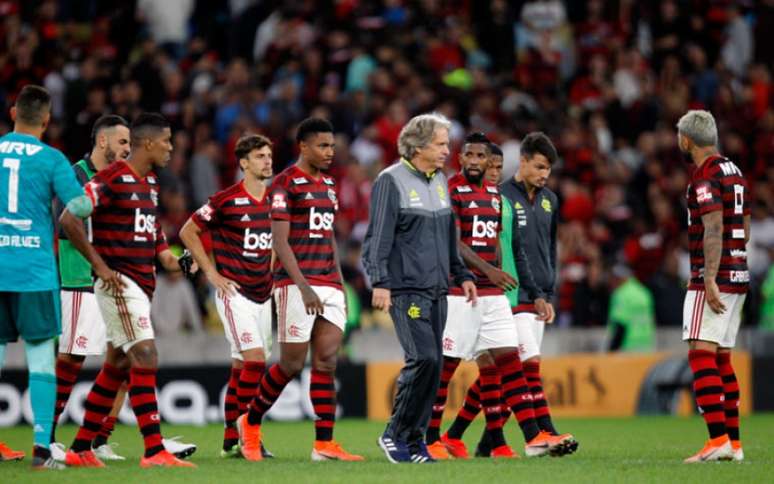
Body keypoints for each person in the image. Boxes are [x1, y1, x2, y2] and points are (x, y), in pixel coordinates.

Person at [58, 113, 197, 468]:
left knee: (117, 366)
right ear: (148, 142)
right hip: (119, 284)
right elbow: (69, 220)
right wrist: (101, 267)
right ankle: (154, 450)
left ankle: (80, 448)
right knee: (146, 356)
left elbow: (154, 241)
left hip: (142, 284)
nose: (171, 147)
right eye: (166, 141)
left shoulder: (149, 184)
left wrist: (180, 262)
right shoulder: (110, 179)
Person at [424, 133, 573, 461]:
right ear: (461, 158)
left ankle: (533, 437)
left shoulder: (493, 195)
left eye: (483, 157)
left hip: (494, 294)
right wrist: (489, 272)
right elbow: (454, 242)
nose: (477, 162)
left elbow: (502, 245)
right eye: (471, 156)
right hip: (461, 291)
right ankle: (432, 436)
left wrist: (516, 281)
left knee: (510, 364)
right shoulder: (451, 190)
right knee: (447, 367)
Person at [236, 118, 363, 462]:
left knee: (326, 363)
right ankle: (250, 423)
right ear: (303, 147)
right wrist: (304, 287)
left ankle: (324, 444)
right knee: (291, 364)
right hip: (296, 283)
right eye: (322, 146)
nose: (329, 152)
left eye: (332, 146)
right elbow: (280, 241)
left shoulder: (330, 185)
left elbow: (329, 237)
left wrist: (339, 283)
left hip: (329, 284)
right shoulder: (285, 184)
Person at [362, 112, 477, 464]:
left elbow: (448, 235)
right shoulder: (390, 181)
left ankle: (414, 442)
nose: (448, 150)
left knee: (436, 364)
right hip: (406, 289)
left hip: (438, 288)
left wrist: (461, 274)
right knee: (423, 357)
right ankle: (393, 434)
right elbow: (377, 238)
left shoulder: (440, 180)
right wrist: (380, 281)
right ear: (419, 146)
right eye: (441, 144)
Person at [0, 85, 93, 470]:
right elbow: (81, 206)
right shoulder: (53, 159)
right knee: (41, 358)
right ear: (47, 120)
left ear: (13, 113)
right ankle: (41, 447)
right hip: (35, 271)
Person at [179, 134, 275, 458]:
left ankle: (229, 442)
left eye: (268, 155)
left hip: (264, 294)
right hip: (234, 293)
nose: (267, 161)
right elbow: (187, 231)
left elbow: (277, 242)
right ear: (244, 163)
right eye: (260, 156)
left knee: (239, 369)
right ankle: (250, 436)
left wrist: (273, 271)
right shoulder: (226, 200)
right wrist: (211, 273)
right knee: (256, 361)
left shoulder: (275, 200)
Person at [50, 115, 131, 462]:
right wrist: (99, 264)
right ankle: (47, 436)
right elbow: (66, 227)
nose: (128, 148)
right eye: (123, 142)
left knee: (125, 359)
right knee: (72, 357)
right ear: (103, 142)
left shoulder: (122, 178)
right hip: (81, 278)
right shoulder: (75, 175)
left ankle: (99, 439)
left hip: (117, 280)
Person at [495, 131, 578, 453]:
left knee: (507, 375)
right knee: (528, 364)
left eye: (549, 170)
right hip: (513, 295)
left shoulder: (550, 200)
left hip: (540, 296)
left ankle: (483, 438)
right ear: (524, 161)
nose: (545, 175)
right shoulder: (501, 196)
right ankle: (542, 433)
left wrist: (549, 291)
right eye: (540, 167)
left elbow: (549, 249)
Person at [677, 110, 749, 463]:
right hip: (739, 273)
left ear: (686, 140)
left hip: (715, 276)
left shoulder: (704, 175)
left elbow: (714, 226)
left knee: (699, 352)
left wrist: (708, 275)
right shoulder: (734, 172)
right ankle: (733, 444)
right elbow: (744, 228)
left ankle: (716, 439)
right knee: (722, 357)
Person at [607, 264, 656, 352]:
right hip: (646, 346)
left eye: (613, 278)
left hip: (627, 347)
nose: (611, 282)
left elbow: (620, 325)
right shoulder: (644, 292)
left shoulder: (621, 294)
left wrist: (612, 350)